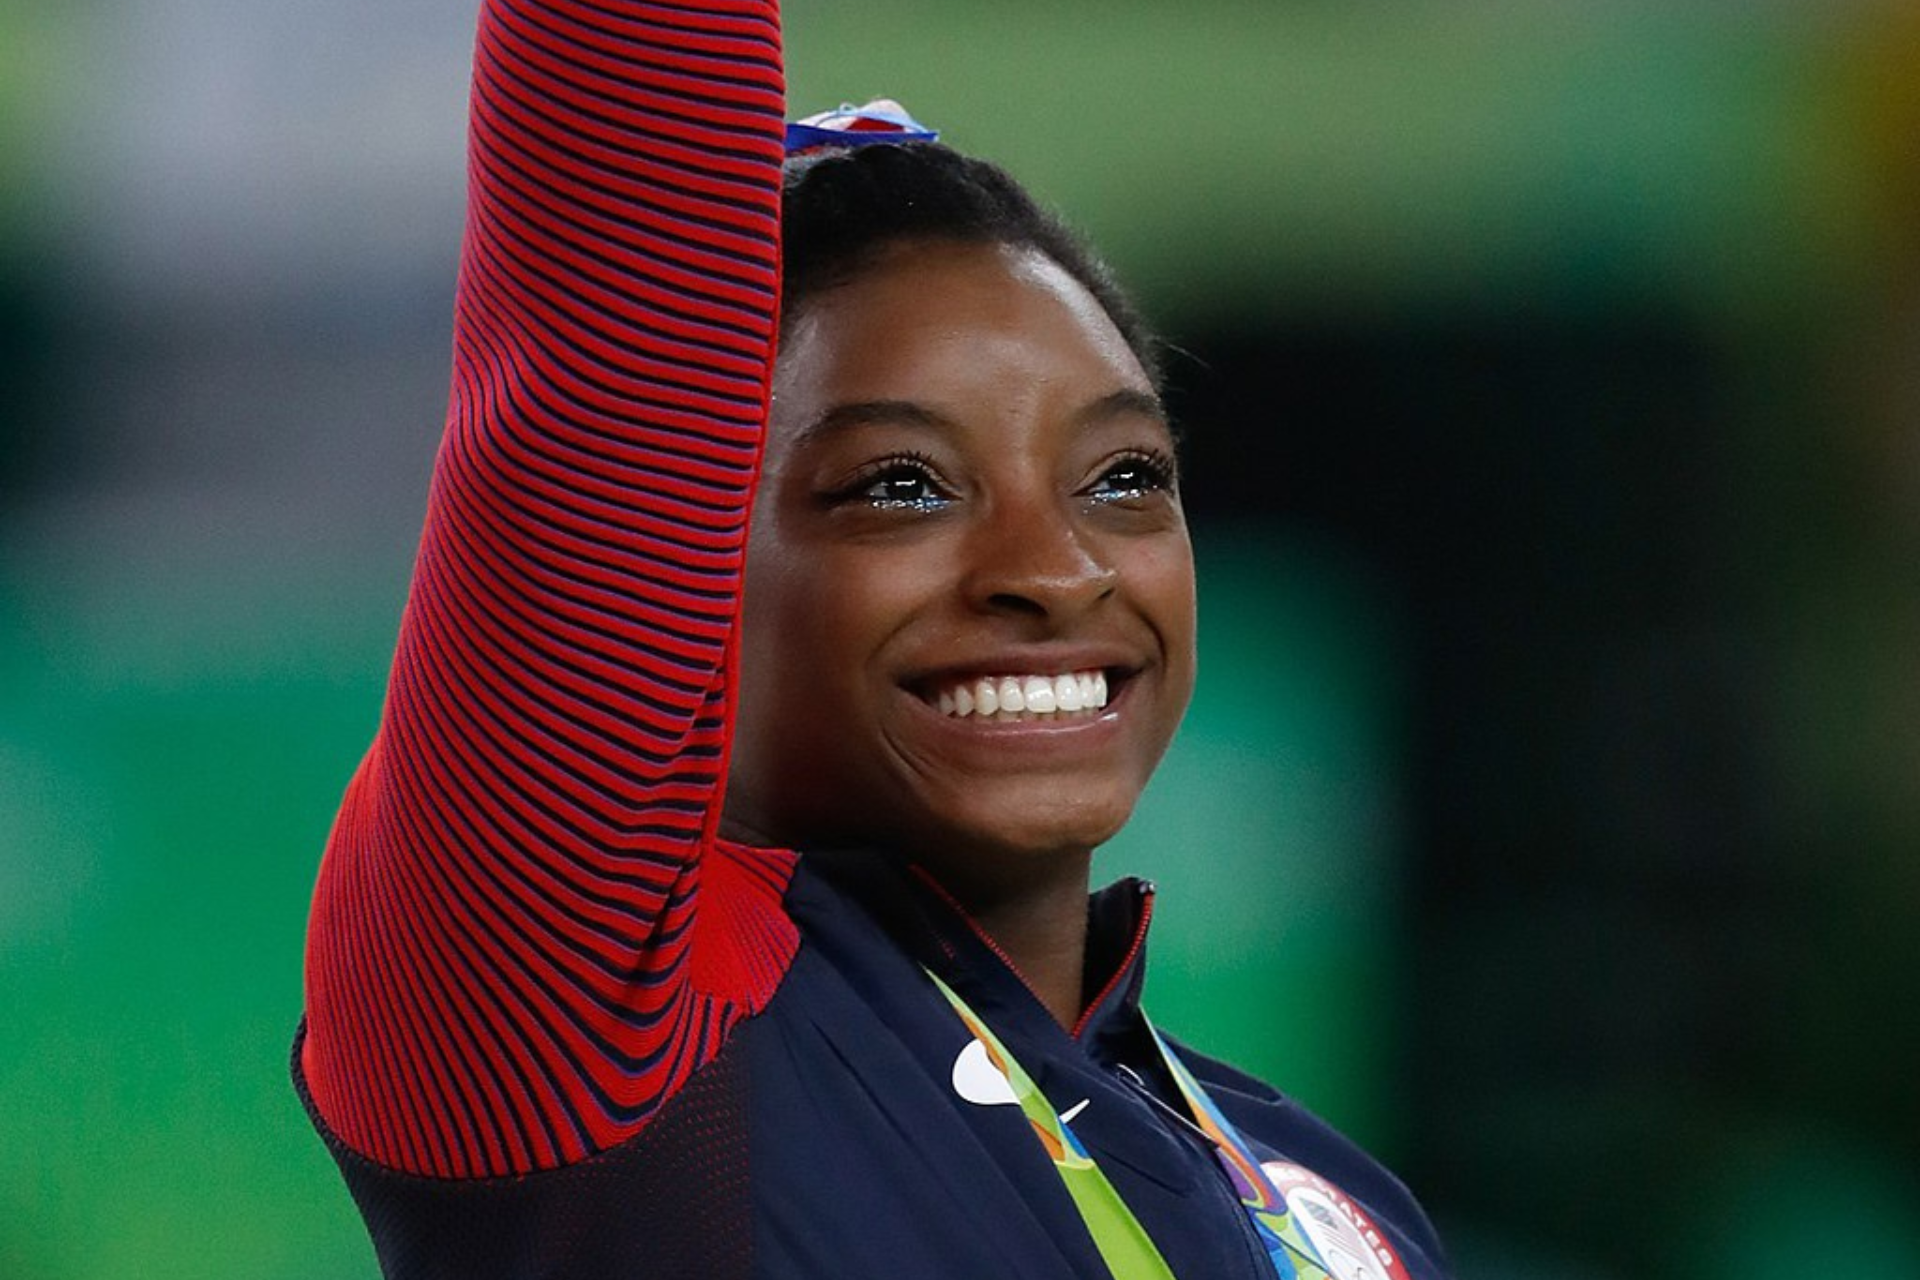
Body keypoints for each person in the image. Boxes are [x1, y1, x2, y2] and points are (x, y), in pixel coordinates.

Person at [295, 2, 1451, 1277]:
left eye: (1123, 476)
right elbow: (612, 356)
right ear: (681, 565)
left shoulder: (1334, 1197)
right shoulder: (589, 1043)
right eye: (901, 484)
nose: (1056, 571)